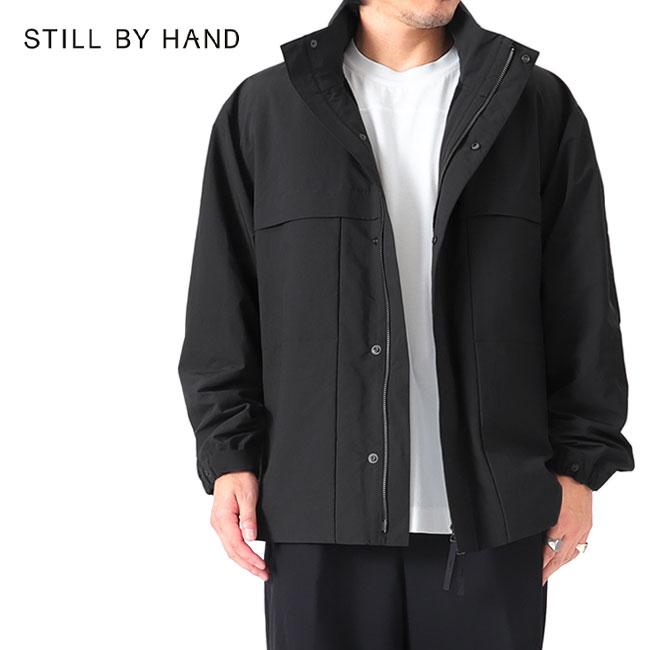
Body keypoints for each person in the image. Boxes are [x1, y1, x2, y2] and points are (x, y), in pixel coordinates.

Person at [178, 1, 635, 647]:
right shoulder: (268, 108)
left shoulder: (533, 103)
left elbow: (582, 298)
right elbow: (222, 303)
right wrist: (229, 456)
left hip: (495, 508)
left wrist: (580, 466)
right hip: (318, 506)